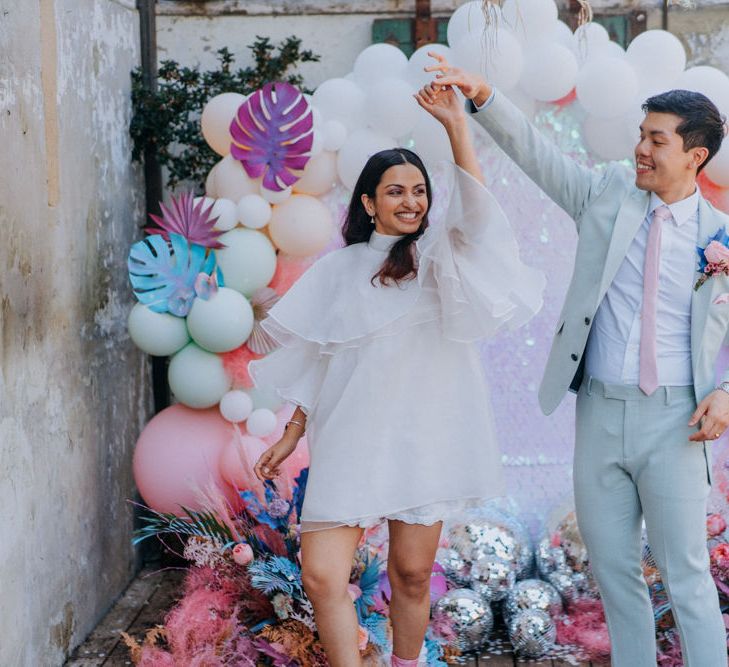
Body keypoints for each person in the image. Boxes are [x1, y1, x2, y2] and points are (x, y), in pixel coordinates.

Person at [427, 49, 729, 666]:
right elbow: (537, 154)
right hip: (597, 414)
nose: (640, 149)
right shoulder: (607, 195)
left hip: (677, 423)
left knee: (687, 579)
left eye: (656, 140)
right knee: (615, 575)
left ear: (694, 155)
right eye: (640, 135)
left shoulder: (720, 236)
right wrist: (484, 95)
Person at [248, 79, 544, 666]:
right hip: (350, 436)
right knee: (323, 576)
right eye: (394, 192)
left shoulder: (441, 258)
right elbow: (320, 354)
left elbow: (480, 217)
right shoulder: (336, 271)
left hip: (422, 436)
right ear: (367, 202)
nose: (410, 202)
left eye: (419, 192)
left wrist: (457, 126)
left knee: (411, 576)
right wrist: (291, 431)